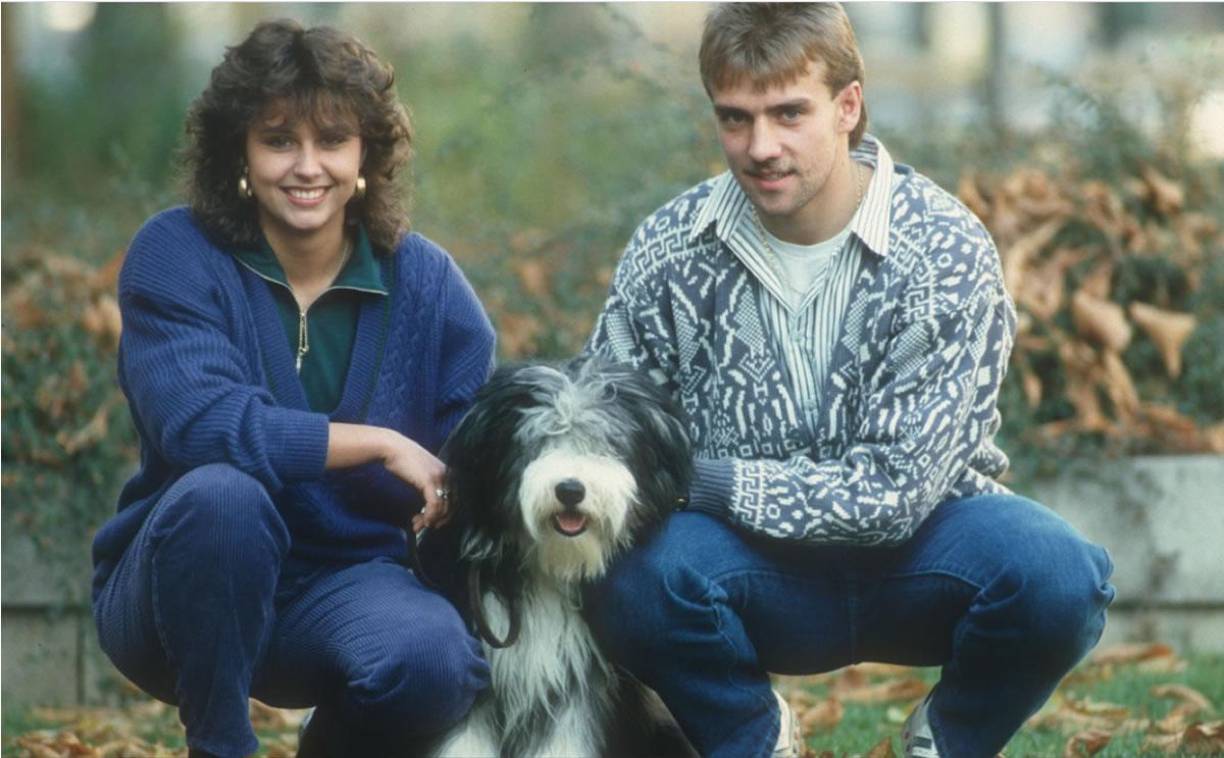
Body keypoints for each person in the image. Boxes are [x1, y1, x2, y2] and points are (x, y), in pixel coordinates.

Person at [584, 5, 1115, 757]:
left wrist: (697, 481)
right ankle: (752, 736)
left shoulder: (944, 248)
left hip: (925, 556)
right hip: (742, 566)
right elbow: (608, 428)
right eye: (735, 119)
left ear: (848, 106)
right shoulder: (669, 249)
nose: (760, 147)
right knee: (630, 580)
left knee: (1059, 575)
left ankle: (946, 739)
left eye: (788, 113)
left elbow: (893, 497)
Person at [90, 19, 494, 758]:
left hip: (345, 590)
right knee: (224, 495)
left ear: (366, 153)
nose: (307, 167)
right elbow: (203, 426)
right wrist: (376, 441)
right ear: (239, 153)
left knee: (436, 663)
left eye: (332, 140)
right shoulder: (175, 254)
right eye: (279, 140)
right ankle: (220, 744)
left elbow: (476, 447)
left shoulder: (427, 284)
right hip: (177, 590)